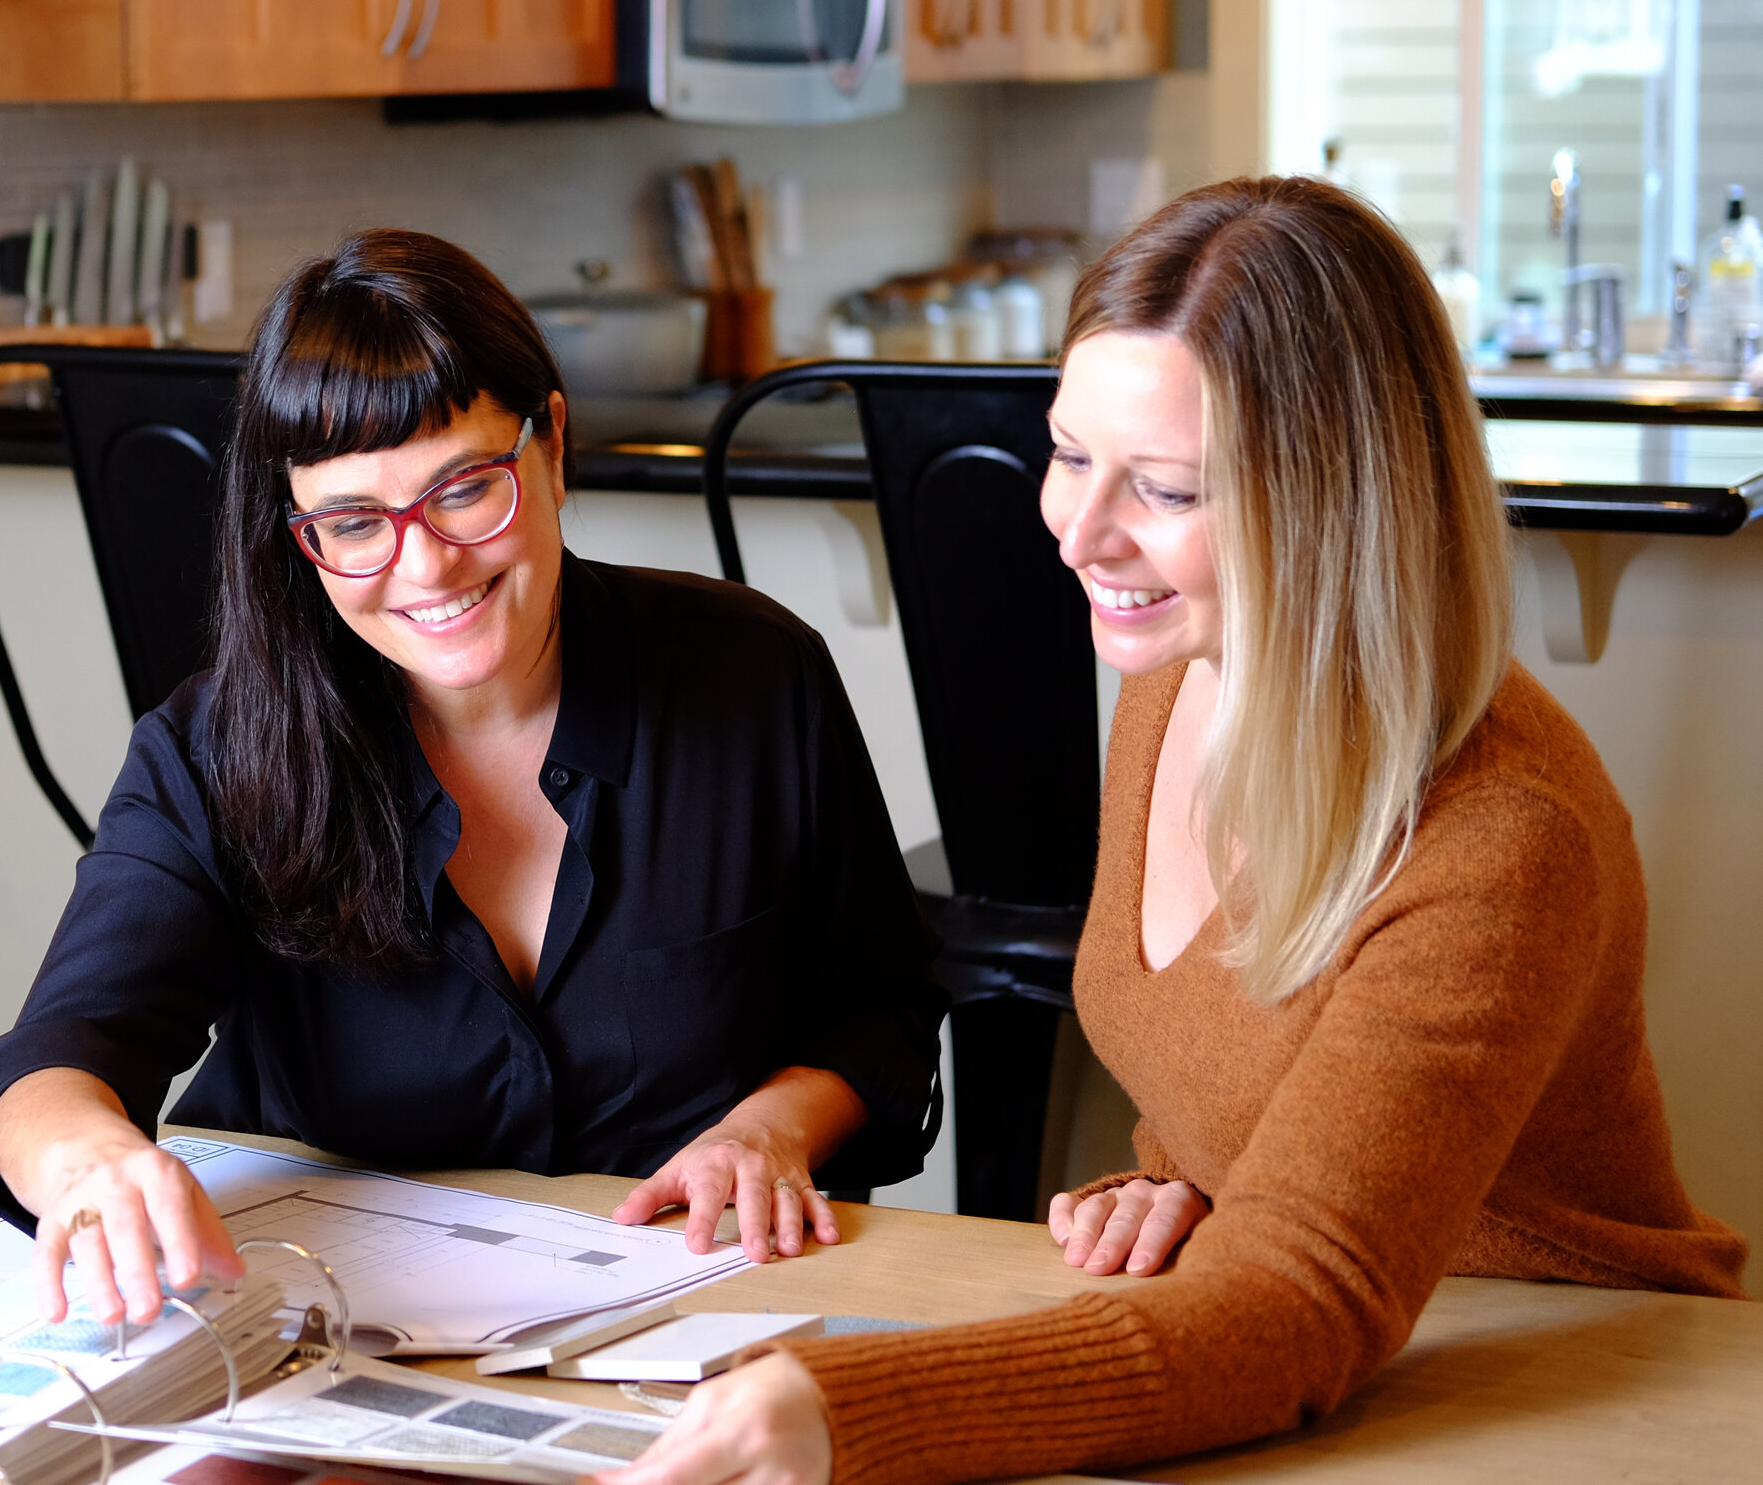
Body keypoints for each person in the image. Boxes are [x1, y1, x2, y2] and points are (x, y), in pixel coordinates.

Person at [604, 178, 1746, 1485]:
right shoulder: (1175, 666)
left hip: (1563, 1373)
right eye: (1070, 452)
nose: (1079, 532)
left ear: (1338, 496)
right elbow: (1250, 1059)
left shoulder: (1499, 834)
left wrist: (829, 1403)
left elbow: (1299, 1303)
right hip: (1330, 1356)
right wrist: (1196, 1174)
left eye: (1165, 487)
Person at [0, 229, 943, 1327]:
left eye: (465, 489)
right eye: (354, 523)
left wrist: (772, 1125)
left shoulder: (756, 675)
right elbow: (53, 1055)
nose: (423, 565)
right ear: (299, 536)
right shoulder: (217, 747)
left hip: (701, 1321)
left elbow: (882, 1010)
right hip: (326, 1339)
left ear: (552, 446)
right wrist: (90, 1165)